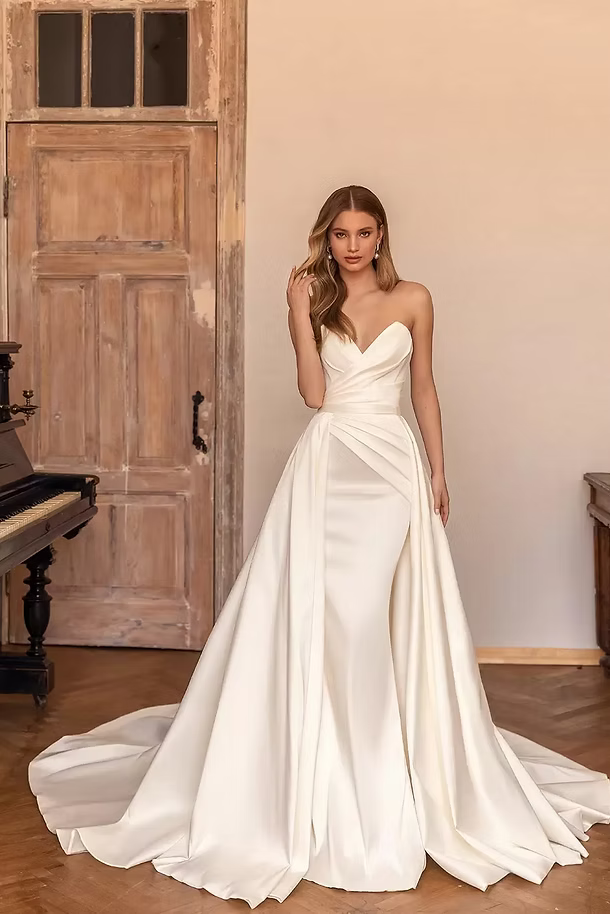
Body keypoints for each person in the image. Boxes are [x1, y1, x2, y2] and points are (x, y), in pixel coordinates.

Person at [28, 185, 610, 909]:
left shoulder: (415, 298)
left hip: (393, 469)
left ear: (382, 235)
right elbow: (313, 395)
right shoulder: (316, 299)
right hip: (331, 466)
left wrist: (438, 467)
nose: (354, 245)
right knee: (330, 618)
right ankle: (328, 769)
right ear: (326, 238)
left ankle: (379, 769)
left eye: (365, 232)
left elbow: (423, 388)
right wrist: (299, 318)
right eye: (341, 233)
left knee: (370, 616)